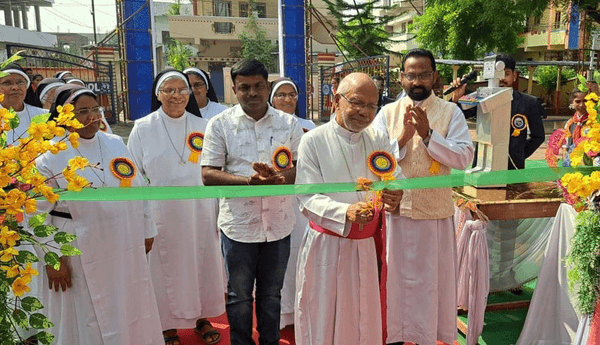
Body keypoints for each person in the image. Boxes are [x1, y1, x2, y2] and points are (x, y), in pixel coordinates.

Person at [34, 84, 163, 344]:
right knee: (86, 315)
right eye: (83, 111)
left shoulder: (115, 143)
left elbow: (140, 189)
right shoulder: (49, 154)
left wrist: (148, 230)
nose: (93, 116)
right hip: (77, 248)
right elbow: (36, 215)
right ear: (64, 115)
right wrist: (52, 257)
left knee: (128, 306)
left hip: (123, 245)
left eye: (96, 109)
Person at [372, 48, 474, 345]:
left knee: (430, 284)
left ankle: (427, 337)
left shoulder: (450, 112)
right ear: (401, 78)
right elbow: (372, 158)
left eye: (424, 74)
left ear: (434, 76)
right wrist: (403, 137)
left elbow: (464, 157)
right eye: (411, 75)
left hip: (434, 215)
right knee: (396, 282)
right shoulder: (387, 114)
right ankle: (394, 336)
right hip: (396, 213)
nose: (417, 80)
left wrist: (429, 136)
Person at [294, 72, 403, 345]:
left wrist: (395, 193)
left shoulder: (378, 138)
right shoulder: (313, 141)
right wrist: (344, 213)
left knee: (363, 317)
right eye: (356, 103)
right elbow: (306, 196)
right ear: (336, 99)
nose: (364, 112)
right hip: (327, 244)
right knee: (325, 316)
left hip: (366, 246)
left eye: (371, 106)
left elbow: (395, 176)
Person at [201, 59, 304, 345]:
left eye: (258, 86)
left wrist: (279, 176)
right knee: (239, 296)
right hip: (238, 227)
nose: (252, 93)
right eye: (244, 88)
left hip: (278, 224)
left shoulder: (289, 123)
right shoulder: (220, 124)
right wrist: (249, 183)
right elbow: (208, 174)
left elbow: (298, 165)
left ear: (267, 86)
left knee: (272, 295)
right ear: (234, 89)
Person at [127, 69, 225, 345]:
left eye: (182, 90)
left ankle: (202, 318)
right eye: (168, 90)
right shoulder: (142, 127)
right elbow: (134, 176)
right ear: (157, 94)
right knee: (164, 268)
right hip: (161, 213)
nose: (176, 96)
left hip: (201, 211)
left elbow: (216, 169)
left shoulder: (204, 126)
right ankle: (166, 326)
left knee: (201, 264)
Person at [268, 77, 315, 329]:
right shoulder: (266, 126)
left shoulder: (309, 126)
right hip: (275, 200)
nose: (287, 99)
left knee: (300, 255)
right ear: (272, 99)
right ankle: (282, 314)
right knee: (278, 261)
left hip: (303, 201)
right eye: (281, 95)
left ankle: (302, 311)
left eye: (292, 94)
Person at [452, 53, 545, 170]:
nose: (501, 78)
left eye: (506, 73)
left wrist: (518, 154)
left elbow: (538, 136)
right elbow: (458, 116)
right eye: (497, 74)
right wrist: (456, 99)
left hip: (512, 168)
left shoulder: (529, 103)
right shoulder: (480, 99)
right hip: (483, 166)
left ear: (514, 76)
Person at [0, 63, 47, 144]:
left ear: (26, 86)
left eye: (20, 82)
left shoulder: (43, 115)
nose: (15, 87)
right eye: (7, 83)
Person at [562, 88, 589, 166]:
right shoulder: (570, 123)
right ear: (572, 103)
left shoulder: (595, 122)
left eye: (585, 101)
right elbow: (565, 148)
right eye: (577, 101)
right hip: (573, 162)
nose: (581, 105)